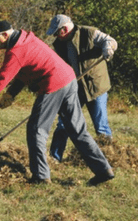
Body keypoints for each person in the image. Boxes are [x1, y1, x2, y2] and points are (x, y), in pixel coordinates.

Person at [0, 20, 114, 185]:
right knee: (78, 130)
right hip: (69, 79)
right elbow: (24, 70)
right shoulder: (27, 38)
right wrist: (11, 94)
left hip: (53, 85)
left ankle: (41, 177)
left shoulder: (15, 51)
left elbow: (0, 79)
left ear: (5, 35)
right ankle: (103, 170)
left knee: (36, 130)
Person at [46, 14, 118, 162]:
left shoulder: (89, 33)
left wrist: (108, 48)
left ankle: (109, 158)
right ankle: (54, 158)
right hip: (74, 90)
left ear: (64, 29)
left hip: (95, 88)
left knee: (101, 126)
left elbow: (110, 41)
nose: (55, 36)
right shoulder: (59, 45)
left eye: (56, 32)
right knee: (64, 123)